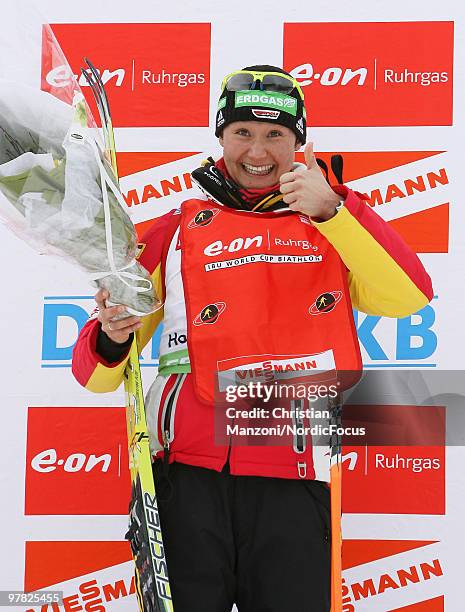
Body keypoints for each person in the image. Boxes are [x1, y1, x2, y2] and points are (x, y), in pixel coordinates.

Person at [72, 65, 433, 611]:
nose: (257, 150)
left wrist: (334, 210)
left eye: (275, 134)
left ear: (298, 141)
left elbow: (408, 297)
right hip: (185, 477)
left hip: (294, 472)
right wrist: (113, 334)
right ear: (221, 135)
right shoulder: (174, 231)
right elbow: (98, 375)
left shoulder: (337, 219)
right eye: (242, 132)